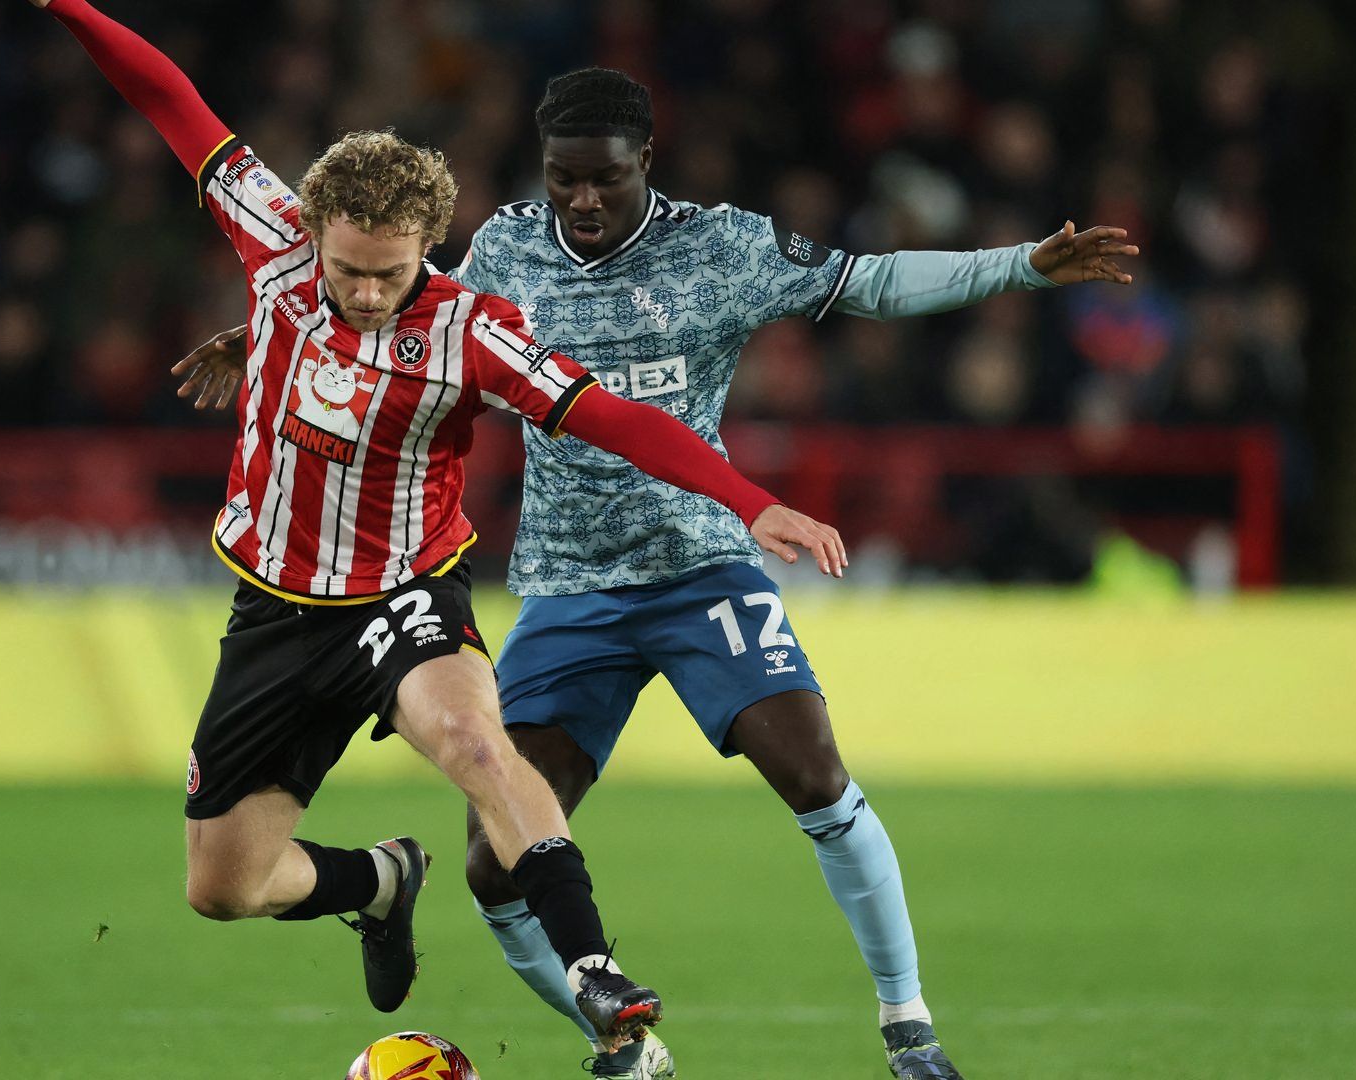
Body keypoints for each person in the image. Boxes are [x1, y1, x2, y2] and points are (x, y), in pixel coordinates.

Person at [176, 66, 1138, 1080]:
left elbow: (872, 281)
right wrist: (277, 341)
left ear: (648, 164)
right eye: (563, 180)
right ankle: (627, 1045)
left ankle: (910, 1030)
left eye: (604, 179)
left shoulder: (722, 247)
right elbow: (400, 312)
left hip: (699, 564)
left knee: (812, 769)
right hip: (564, 583)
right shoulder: (502, 247)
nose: (582, 200)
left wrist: (1019, 266)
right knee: (489, 865)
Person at [29, 1, 849, 1054]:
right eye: (348, 269)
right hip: (273, 611)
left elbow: (611, 417)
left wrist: (752, 499)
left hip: (403, 593)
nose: (368, 292)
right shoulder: (274, 252)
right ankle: (381, 881)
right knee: (224, 887)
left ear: (432, 243)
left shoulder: (474, 331)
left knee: (472, 741)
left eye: (392, 270)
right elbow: (169, 99)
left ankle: (594, 970)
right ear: (312, 233)